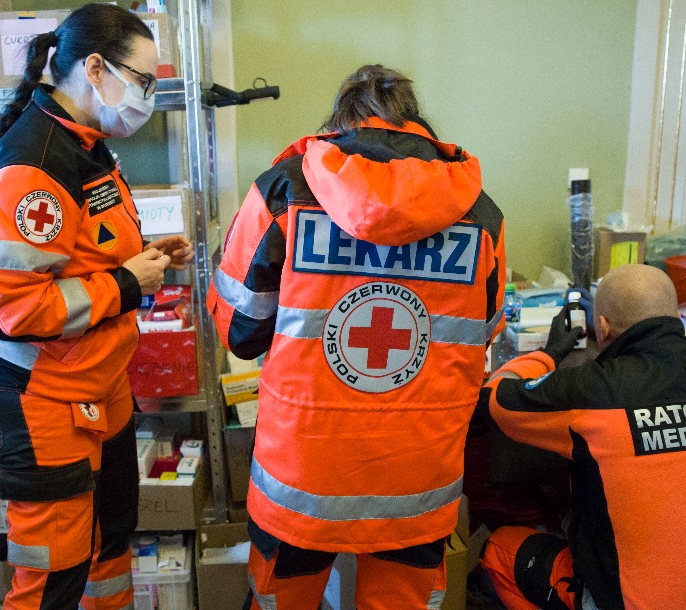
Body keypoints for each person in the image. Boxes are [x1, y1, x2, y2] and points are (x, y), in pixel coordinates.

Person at [208, 64, 506, 609]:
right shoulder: (480, 214)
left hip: (303, 474)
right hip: (416, 477)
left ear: (339, 125)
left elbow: (239, 332)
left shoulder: (282, 192)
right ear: (414, 123)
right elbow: (481, 335)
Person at [0, 5, 192, 610]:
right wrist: (128, 284)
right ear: (94, 67)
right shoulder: (33, 165)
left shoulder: (87, 143)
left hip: (96, 383)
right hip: (42, 398)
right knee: (52, 574)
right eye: (142, 80)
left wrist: (146, 255)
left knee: (109, 544)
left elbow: (82, 250)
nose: (147, 95)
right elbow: (18, 310)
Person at [479, 264, 686, 610]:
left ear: (603, 326)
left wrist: (549, 353)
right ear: (675, 317)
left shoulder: (593, 389)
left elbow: (494, 399)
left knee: (499, 550)